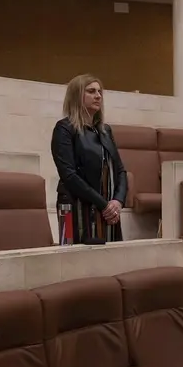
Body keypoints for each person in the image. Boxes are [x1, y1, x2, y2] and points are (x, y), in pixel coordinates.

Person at [50, 74, 128, 244]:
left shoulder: (105, 131)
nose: (98, 96)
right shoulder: (64, 129)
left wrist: (118, 201)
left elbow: (120, 170)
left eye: (100, 92)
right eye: (91, 91)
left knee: (111, 255)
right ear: (77, 96)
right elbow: (69, 175)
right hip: (73, 207)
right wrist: (104, 205)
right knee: (75, 257)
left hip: (107, 210)